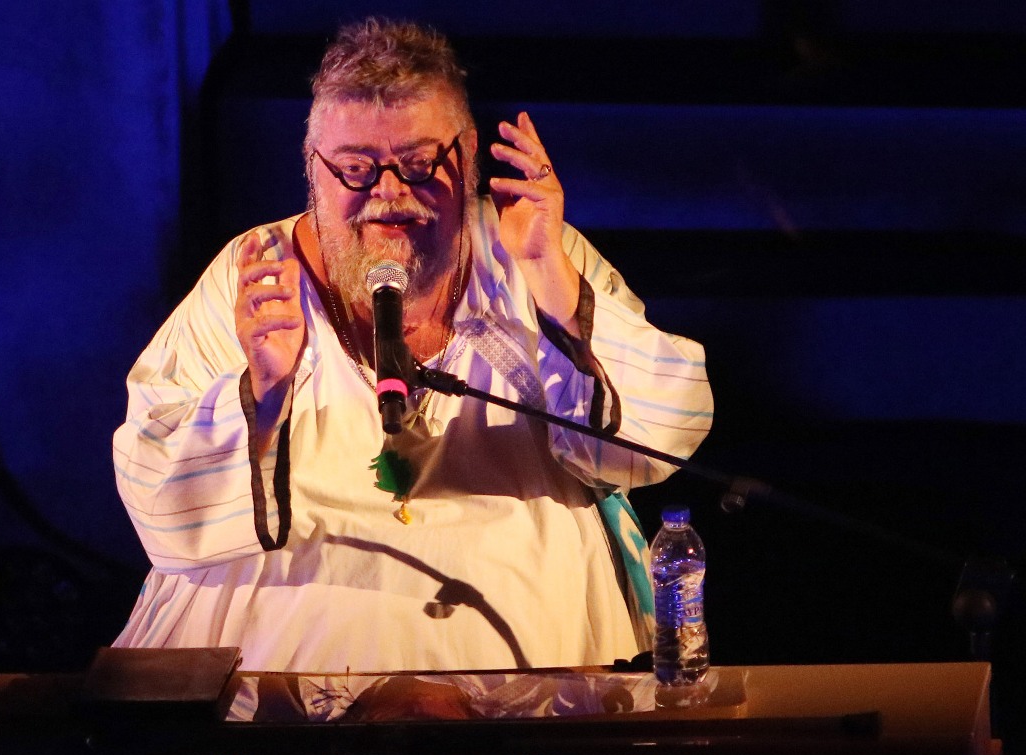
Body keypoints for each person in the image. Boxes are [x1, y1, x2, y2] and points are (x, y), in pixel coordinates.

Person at [112, 18, 713, 672]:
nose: (389, 193)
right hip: (290, 632)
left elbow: (661, 438)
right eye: (355, 169)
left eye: (421, 165)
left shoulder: (536, 251)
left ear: (469, 154)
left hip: (522, 613)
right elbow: (156, 496)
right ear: (312, 167)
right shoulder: (255, 271)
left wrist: (551, 279)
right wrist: (263, 395)